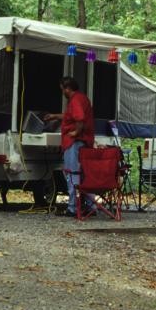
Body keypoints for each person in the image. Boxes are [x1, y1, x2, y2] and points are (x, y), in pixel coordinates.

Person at [44, 76, 96, 217]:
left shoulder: (75, 100)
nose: (62, 92)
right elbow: (70, 116)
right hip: (85, 142)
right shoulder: (82, 98)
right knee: (85, 175)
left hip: (74, 143)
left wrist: (76, 132)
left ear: (67, 88)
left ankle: (73, 208)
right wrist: (54, 116)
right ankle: (91, 206)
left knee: (72, 174)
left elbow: (79, 118)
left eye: (62, 89)